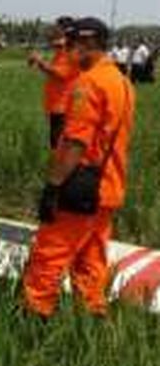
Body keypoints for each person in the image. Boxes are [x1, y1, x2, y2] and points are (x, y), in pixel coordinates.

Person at [22, 17, 135, 318]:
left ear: (88, 45)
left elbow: (75, 143)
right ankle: (92, 316)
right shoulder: (121, 81)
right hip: (108, 188)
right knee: (91, 260)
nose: (68, 53)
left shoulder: (89, 84)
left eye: (71, 46)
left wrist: (53, 187)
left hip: (80, 188)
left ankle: (34, 316)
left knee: (48, 255)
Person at [28, 17, 80, 149]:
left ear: (66, 31)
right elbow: (52, 71)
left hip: (64, 106)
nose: (54, 32)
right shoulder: (61, 51)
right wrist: (38, 63)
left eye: (57, 29)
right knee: (55, 143)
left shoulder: (72, 52)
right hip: (56, 104)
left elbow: (61, 74)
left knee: (60, 145)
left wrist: (40, 61)